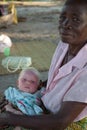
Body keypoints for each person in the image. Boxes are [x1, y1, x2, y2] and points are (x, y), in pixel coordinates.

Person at [1, 0, 87, 129]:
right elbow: (61, 77)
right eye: (63, 18)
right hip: (48, 108)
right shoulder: (65, 44)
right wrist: (38, 85)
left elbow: (60, 121)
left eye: (75, 19)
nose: (65, 25)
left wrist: (10, 118)